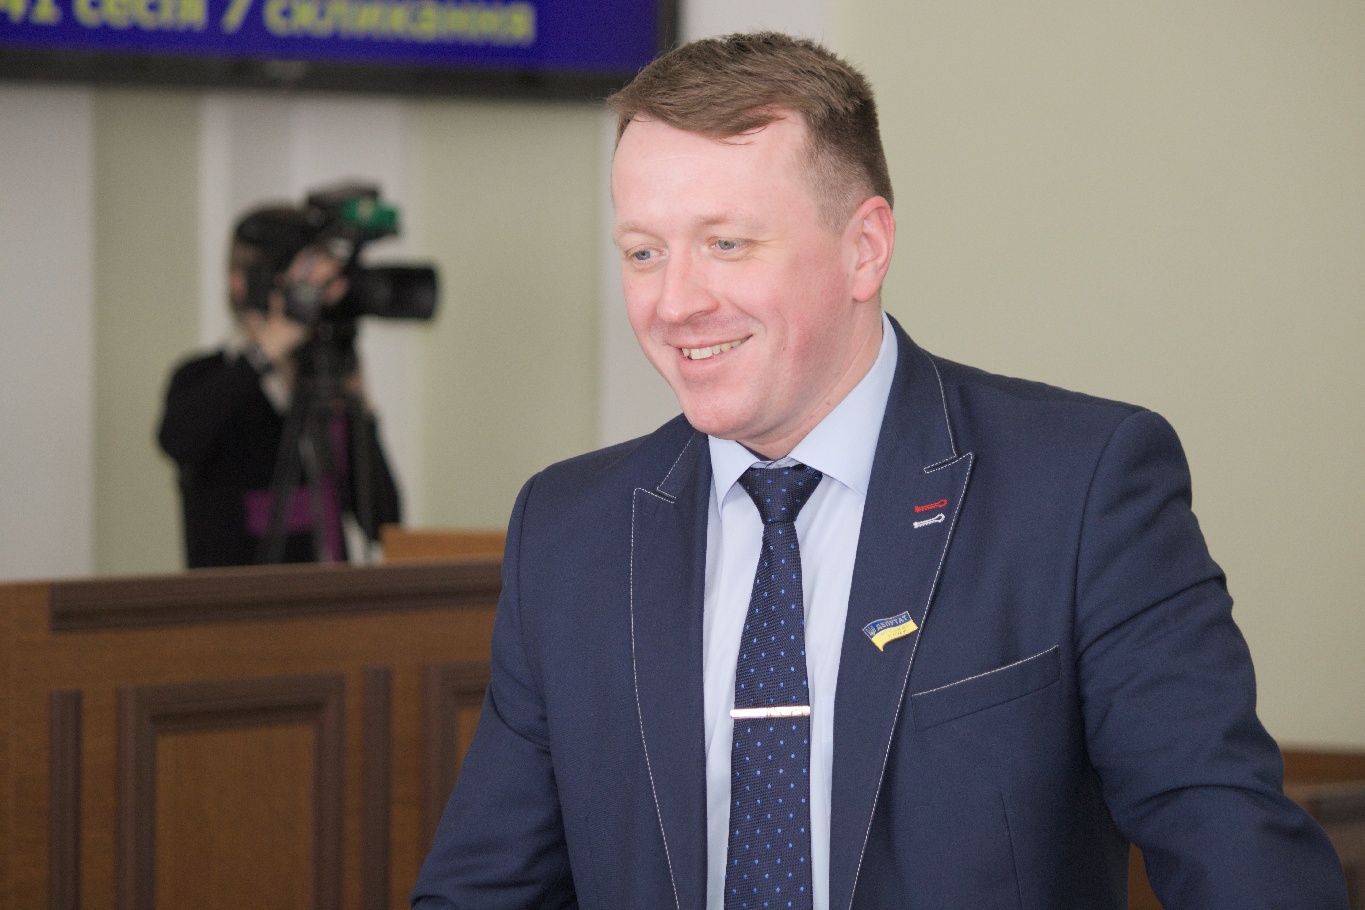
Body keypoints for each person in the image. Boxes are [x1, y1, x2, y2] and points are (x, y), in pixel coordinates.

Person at [412, 32, 1347, 910]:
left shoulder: (1081, 488)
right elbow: (483, 889)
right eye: (643, 253)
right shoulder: (569, 529)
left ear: (864, 249)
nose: (675, 301)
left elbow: (1230, 848)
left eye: (726, 244)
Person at [158, 204, 401, 568]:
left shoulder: (323, 382)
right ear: (242, 282)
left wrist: (359, 404)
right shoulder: (203, 375)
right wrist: (267, 348)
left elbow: (384, 524)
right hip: (240, 600)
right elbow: (177, 440)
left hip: (330, 599)